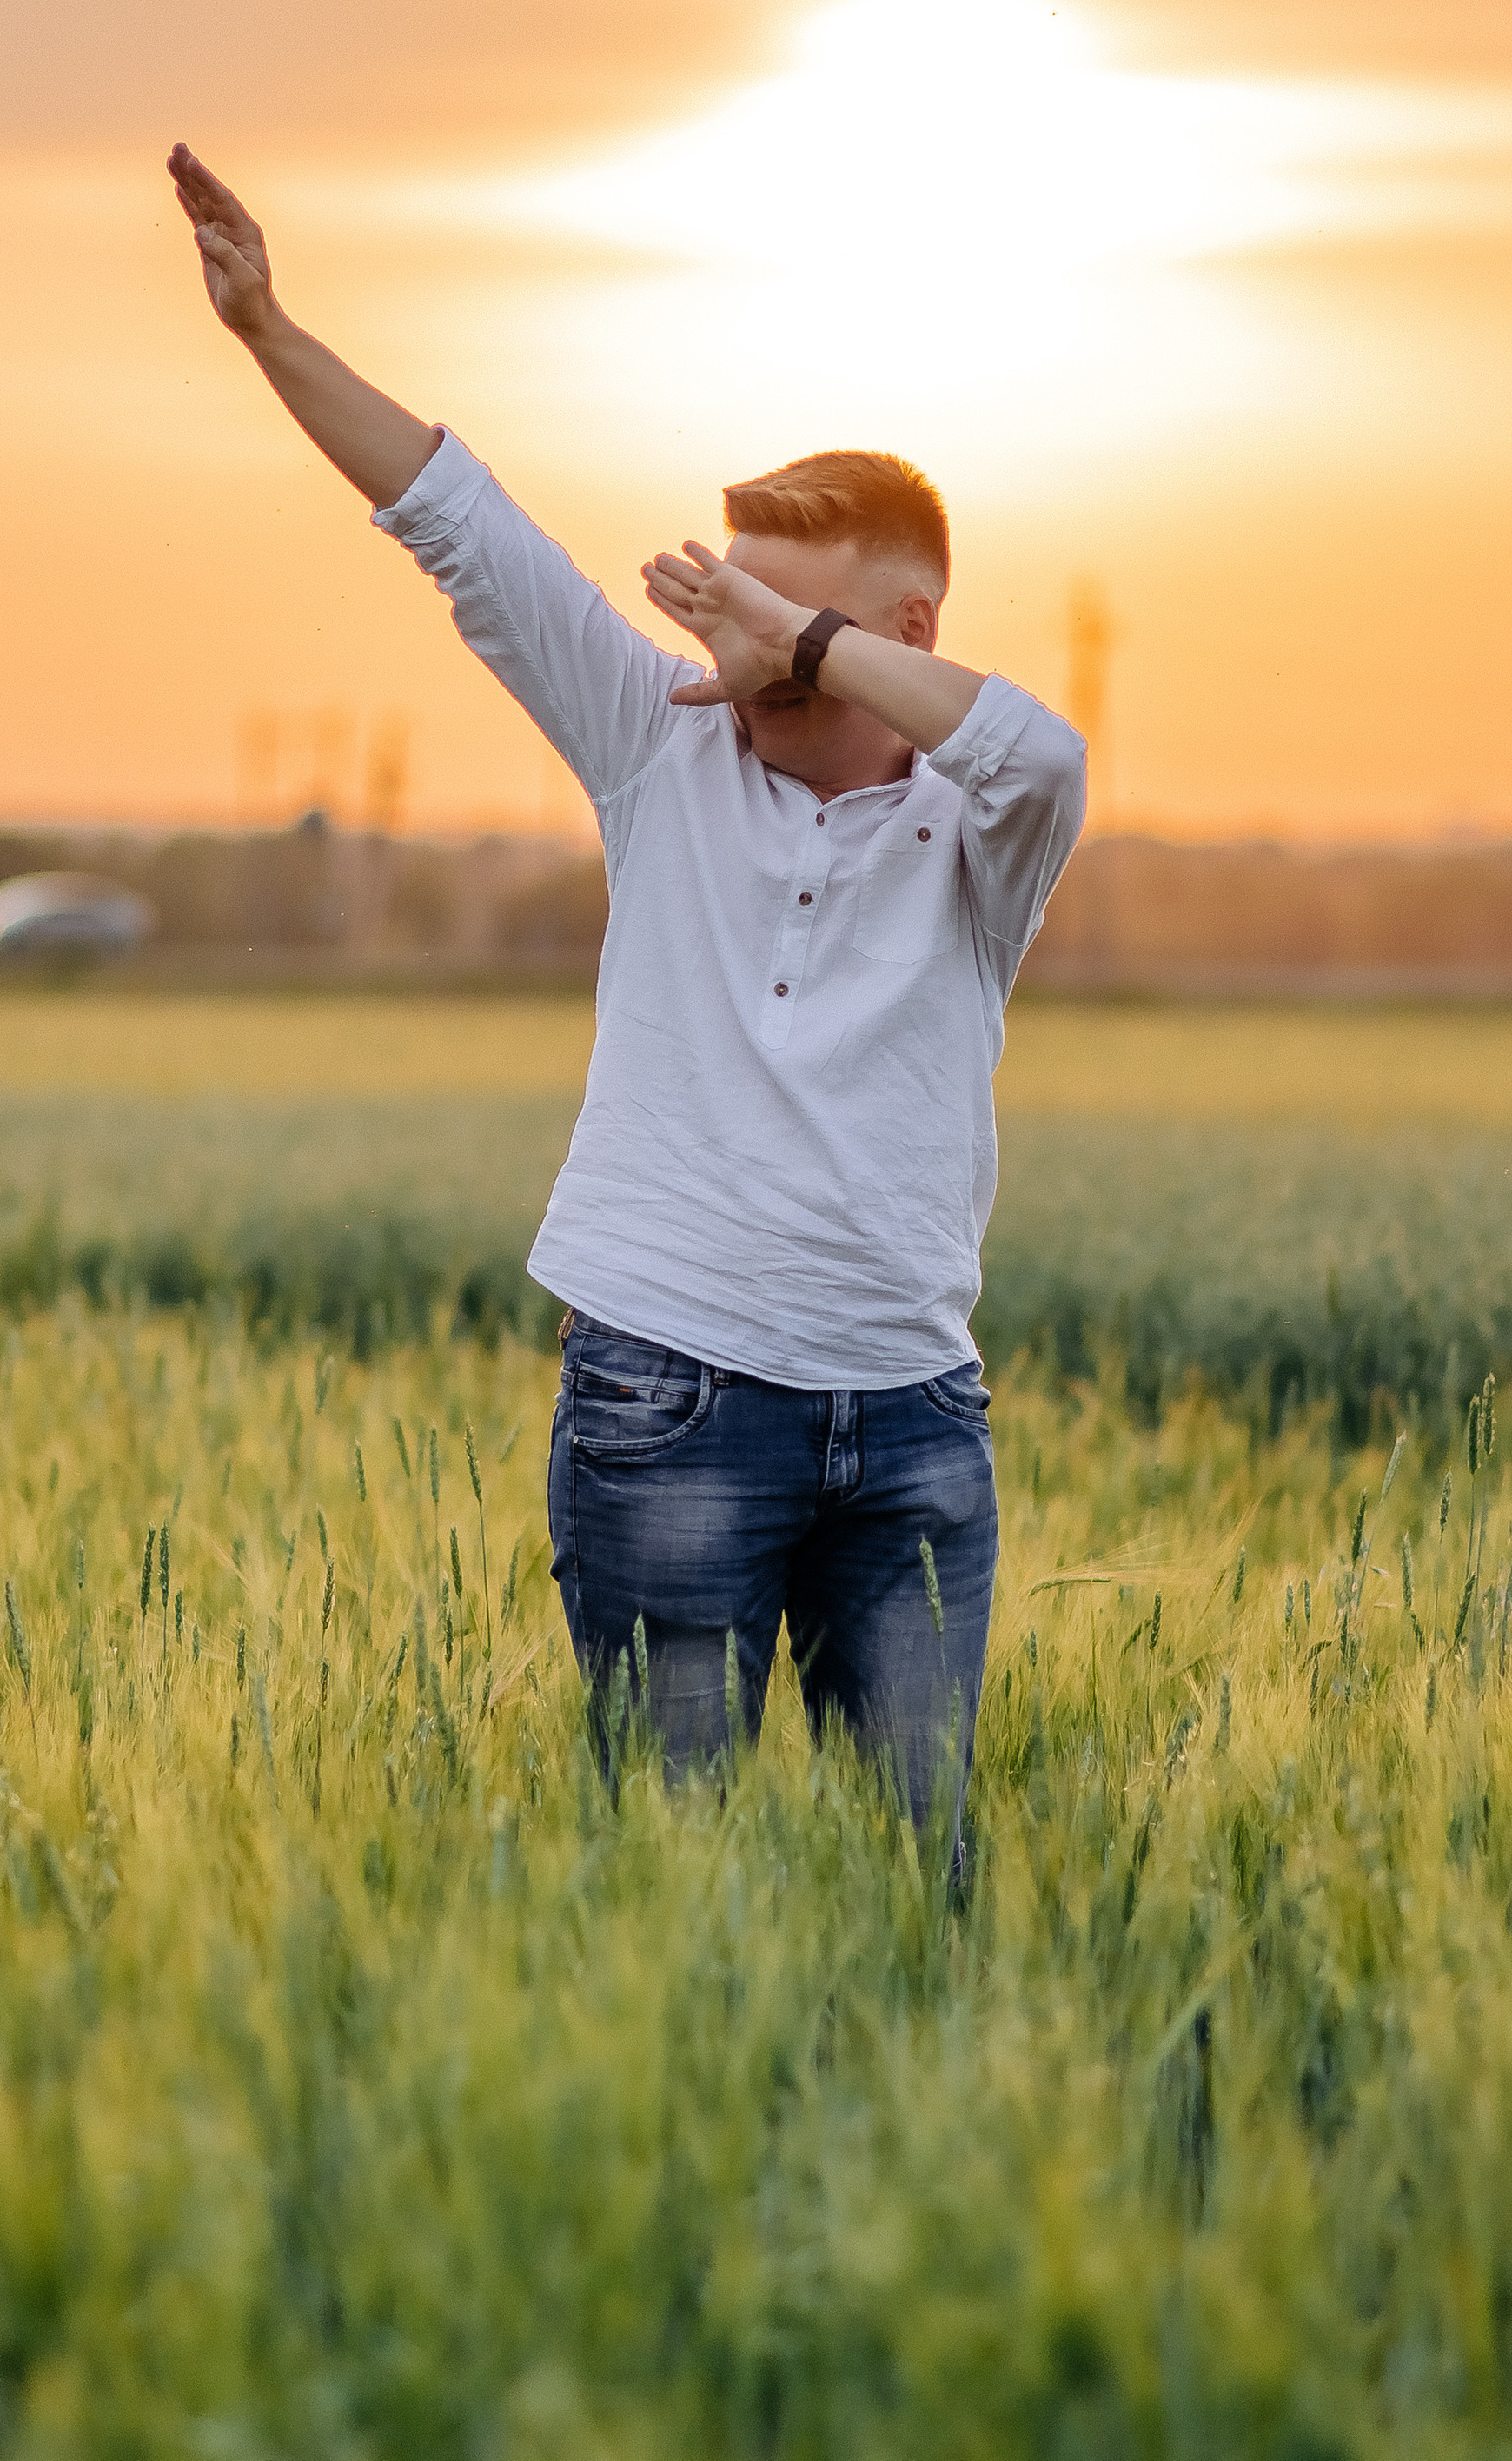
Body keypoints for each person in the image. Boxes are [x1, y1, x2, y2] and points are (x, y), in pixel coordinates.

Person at [169, 139, 1086, 1849]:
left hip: (910, 1414)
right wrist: (266, 329)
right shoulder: (650, 752)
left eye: (773, 614)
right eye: (719, 598)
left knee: (924, 1873)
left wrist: (796, 643)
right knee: (663, 1879)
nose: (723, 643)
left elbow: (1039, 739)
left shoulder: (984, 828)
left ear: (898, 622)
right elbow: (464, 523)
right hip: (670, 1398)